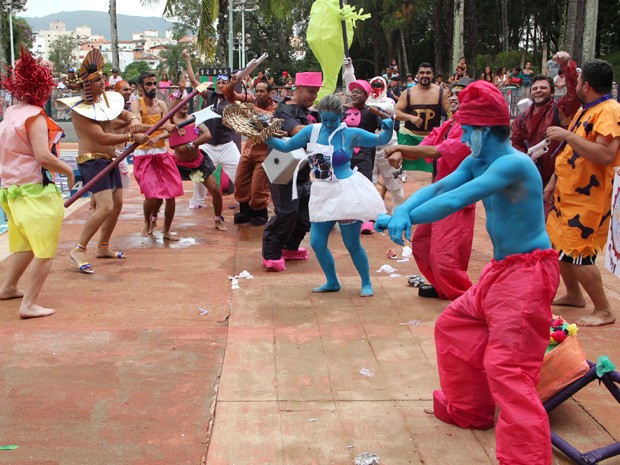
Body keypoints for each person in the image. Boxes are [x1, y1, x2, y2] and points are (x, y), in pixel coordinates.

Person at [376, 80, 560, 465]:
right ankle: (470, 409)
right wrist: (405, 210)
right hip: (502, 270)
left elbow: (459, 199)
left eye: (469, 130)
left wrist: (401, 217)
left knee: (508, 369)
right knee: (455, 325)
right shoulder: (477, 159)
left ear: (486, 130)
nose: (465, 136)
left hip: (528, 274)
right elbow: (441, 186)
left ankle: (525, 459)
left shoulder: (512, 162)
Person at [267, 94, 393, 296]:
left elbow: (380, 139)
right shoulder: (312, 131)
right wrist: (265, 136)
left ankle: (366, 283)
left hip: (346, 191)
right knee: (317, 242)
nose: (328, 124)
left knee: (352, 243)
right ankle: (332, 281)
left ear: (341, 116)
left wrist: (388, 128)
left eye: (332, 120)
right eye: (324, 120)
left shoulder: (350, 134)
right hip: (323, 191)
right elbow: (285, 146)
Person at [0, 49, 75, 318]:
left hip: (11, 192)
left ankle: (8, 287)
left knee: (25, 244)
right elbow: (43, 157)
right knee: (44, 249)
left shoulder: (11, 113)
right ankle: (29, 304)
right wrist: (68, 171)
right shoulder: (35, 116)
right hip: (33, 192)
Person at [384, 77, 475, 300]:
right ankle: (441, 286)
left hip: (457, 197)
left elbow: (437, 150)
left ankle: (462, 295)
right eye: (452, 93)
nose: (453, 97)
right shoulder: (449, 123)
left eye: (460, 95)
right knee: (423, 244)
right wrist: (400, 152)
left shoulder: (469, 128)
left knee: (446, 253)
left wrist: (398, 147)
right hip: (438, 193)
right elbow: (428, 143)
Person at [545, 59, 620, 327]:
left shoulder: (609, 111)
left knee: (578, 253)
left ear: (586, 85)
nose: (575, 84)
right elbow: (572, 151)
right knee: (558, 247)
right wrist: (553, 181)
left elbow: (605, 154)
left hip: (589, 197)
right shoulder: (589, 108)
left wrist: (566, 136)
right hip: (568, 192)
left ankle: (603, 309)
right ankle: (574, 295)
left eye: (577, 81)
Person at [59, 49, 148, 274]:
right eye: (98, 79)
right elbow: (102, 137)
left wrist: (135, 118)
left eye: (102, 77)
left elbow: (124, 115)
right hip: (92, 161)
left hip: (110, 159)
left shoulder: (106, 100)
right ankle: (78, 249)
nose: (103, 81)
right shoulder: (79, 110)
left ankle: (103, 246)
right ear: (87, 84)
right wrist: (130, 136)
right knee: (105, 205)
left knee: (116, 205)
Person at [261, 72, 322, 272]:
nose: (313, 96)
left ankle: (290, 247)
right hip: (283, 169)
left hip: (304, 170)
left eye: (316, 92)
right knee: (287, 211)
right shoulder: (284, 110)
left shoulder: (313, 113)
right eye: (310, 91)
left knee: (306, 213)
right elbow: (297, 132)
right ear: (298, 89)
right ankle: (271, 253)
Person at [511, 52, 580, 216]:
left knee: (553, 222)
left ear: (552, 91)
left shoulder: (559, 110)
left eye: (543, 88)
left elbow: (574, 94)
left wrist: (567, 66)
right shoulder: (522, 118)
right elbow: (516, 143)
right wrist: (526, 158)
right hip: (530, 175)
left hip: (556, 177)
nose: (538, 91)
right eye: (535, 88)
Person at [182, 50, 240, 213]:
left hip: (227, 145)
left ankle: (245, 201)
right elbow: (193, 81)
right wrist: (188, 59)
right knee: (199, 176)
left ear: (229, 84)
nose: (221, 85)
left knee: (239, 175)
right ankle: (197, 201)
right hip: (207, 145)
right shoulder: (209, 95)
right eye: (219, 83)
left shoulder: (232, 100)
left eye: (224, 83)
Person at [130, 72, 184, 240]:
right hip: (143, 154)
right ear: (140, 87)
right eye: (148, 84)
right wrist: (162, 128)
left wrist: (161, 135)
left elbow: (168, 128)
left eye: (154, 84)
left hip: (161, 153)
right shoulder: (136, 104)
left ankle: (166, 231)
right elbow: (137, 127)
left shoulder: (161, 104)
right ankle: (148, 221)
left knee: (172, 193)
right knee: (150, 193)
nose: (152, 87)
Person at [168, 88, 227, 231]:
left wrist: (191, 144)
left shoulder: (194, 119)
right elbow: (169, 113)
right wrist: (180, 90)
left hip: (197, 162)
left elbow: (207, 135)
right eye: (182, 102)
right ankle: (154, 221)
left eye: (187, 102)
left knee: (215, 190)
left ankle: (218, 219)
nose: (185, 104)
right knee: (166, 194)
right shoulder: (172, 120)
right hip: (178, 164)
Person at [223, 74, 278, 226]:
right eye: (257, 91)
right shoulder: (250, 100)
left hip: (265, 153)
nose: (259, 94)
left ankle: (259, 213)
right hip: (248, 150)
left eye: (262, 92)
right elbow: (230, 95)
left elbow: (272, 118)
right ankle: (244, 212)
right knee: (240, 181)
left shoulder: (276, 107)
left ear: (270, 93)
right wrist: (233, 83)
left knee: (259, 185)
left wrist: (253, 109)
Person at [394, 62, 450, 173]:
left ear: (433, 75)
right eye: (422, 73)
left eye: (428, 73)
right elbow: (396, 112)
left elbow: (450, 112)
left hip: (431, 139)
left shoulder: (440, 92)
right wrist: (410, 117)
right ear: (417, 75)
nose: (425, 75)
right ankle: (390, 189)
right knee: (397, 168)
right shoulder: (408, 92)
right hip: (409, 137)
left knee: (437, 171)